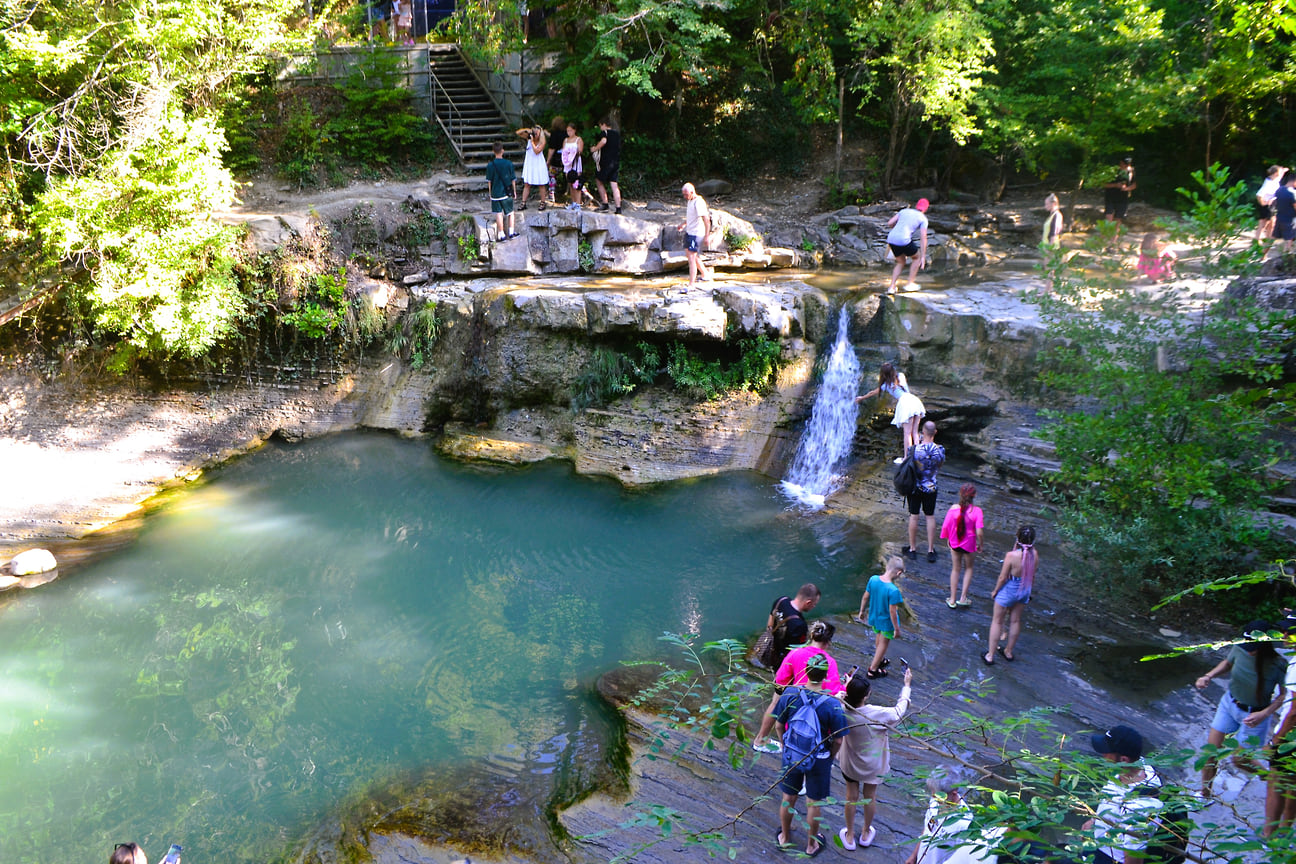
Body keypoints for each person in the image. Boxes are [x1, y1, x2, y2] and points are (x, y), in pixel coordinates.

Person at [1196, 619, 1289, 797]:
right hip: (1229, 704)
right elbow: (1228, 663)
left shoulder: (1278, 664)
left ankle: (1271, 779)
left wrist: (1265, 713)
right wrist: (1208, 676)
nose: (1250, 651)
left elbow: (1284, 695)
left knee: (1240, 760)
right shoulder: (1239, 648)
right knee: (1210, 754)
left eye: (1254, 647)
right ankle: (1204, 793)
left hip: (1255, 715)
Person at [768, 654, 847, 857]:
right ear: (826, 675)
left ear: (805, 671)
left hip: (792, 754)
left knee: (789, 797)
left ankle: (785, 838)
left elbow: (778, 724)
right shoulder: (832, 704)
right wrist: (830, 757)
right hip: (819, 758)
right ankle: (811, 845)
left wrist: (786, 747)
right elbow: (838, 740)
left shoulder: (790, 693)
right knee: (814, 802)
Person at [837, 664, 912, 850]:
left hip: (851, 763)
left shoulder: (840, 708)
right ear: (866, 696)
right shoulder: (878, 713)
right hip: (874, 764)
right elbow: (899, 711)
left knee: (850, 796)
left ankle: (849, 835)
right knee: (870, 797)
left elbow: (838, 700)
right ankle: (865, 833)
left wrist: (844, 689)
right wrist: (906, 687)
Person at [752, 620, 844, 751]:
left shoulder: (796, 653)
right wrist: (845, 686)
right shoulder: (829, 662)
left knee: (775, 704)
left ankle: (760, 739)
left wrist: (783, 693)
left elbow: (781, 678)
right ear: (828, 642)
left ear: (811, 636)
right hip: (816, 705)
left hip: (795, 698)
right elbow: (834, 691)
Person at [1086, 725, 1164, 864]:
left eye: (1106, 752)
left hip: (1111, 858)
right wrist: (1093, 822)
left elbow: (1134, 859)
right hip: (1098, 844)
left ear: (1123, 760)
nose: (1103, 755)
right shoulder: (1140, 768)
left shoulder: (1140, 807)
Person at [983, 525, 1038, 665]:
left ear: (1017, 538)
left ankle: (990, 655)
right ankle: (1008, 651)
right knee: (1015, 621)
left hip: (1010, 590)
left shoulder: (1011, 556)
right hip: (1025, 589)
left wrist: (995, 591)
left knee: (997, 621)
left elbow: (1003, 577)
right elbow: (1033, 576)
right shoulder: (1035, 555)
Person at [855, 361, 926, 463]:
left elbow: (872, 392)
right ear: (893, 370)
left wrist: (861, 398)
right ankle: (918, 456)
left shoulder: (886, 385)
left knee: (907, 433)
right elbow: (901, 384)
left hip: (905, 402)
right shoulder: (901, 376)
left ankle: (906, 458)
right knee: (914, 431)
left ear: (883, 374)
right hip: (914, 400)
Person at [902, 769, 977, 864]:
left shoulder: (964, 824)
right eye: (932, 792)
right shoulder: (935, 801)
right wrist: (914, 856)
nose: (933, 796)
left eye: (936, 794)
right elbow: (927, 830)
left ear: (954, 793)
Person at [1265, 611, 1296, 837]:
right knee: (1292, 787)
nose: (1284, 634)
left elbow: (1294, 711)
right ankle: (1285, 832)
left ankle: (1269, 837)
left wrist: (1275, 742)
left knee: (1276, 786)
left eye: (1290, 631)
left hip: (1290, 739)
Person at [897, 421, 945, 563]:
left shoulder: (914, 449)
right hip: (931, 487)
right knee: (930, 516)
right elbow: (940, 465)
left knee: (914, 516)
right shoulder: (940, 450)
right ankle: (930, 550)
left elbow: (909, 465)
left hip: (915, 488)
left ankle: (912, 549)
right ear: (935, 432)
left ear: (922, 432)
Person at [854, 555, 905, 679]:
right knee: (884, 643)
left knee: (878, 636)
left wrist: (861, 611)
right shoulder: (893, 590)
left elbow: (865, 596)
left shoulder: (874, 579)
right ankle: (873, 670)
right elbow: (892, 612)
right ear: (898, 573)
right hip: (886, 622)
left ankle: (880, 659)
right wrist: (897, 629)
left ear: (887, 567)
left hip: (874, 616)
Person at [939, 483, 983, 608]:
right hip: (969, 545)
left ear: (960, 494)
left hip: (955, 543)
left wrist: (947, 538)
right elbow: (979, 532)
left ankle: (952, 599)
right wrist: (980, 544)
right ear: (974, 495)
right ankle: (963, 598)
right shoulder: (977, 511)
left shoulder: (953, 508)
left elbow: (946, 526)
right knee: (968, 568)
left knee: (955, 569)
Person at [767, 583, 819, 667]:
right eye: (814, 604)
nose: (814, 606)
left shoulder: (781, 600)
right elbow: (797, 651)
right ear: (808, 602)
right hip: (781, 658)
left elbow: (769, 625)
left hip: (769, 646)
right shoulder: (799, 624)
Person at [886, 198, 930, 292]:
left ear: (917, 205)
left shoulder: (904, 211)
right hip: (903, 240)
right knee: (916, 258)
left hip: (891, 238)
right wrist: (923, 256)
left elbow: (890, 223)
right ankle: (910, 283)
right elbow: (923, 237)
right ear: (926, 209)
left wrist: (896, 229)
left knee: (901, 262)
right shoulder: (923, 219)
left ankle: (892, 287)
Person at [679, 182, 712, 285]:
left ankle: (691, 284)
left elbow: (706, 220)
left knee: (692, 258)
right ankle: (705, 274)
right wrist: (683, 224)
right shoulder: (690, 201)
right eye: (683, 194)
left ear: (692, 192)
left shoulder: (699, 202)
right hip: (689, 232)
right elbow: (691, 216)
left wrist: (707, 236)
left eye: (686, 194)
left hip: (696, 234)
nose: (684, 197)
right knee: (690, 255)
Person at [485, 142, 517, 241]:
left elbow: (489, 181)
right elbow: (513, 180)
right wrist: (514, 192)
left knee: (498, 213)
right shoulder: (508, 163)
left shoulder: (490, 165)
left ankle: (501, 234)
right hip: (506, 193)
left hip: (495, 193)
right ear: (502, 151)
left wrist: (490, 193)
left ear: (493, 151)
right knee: (510, 213)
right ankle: (511, 233)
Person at [591, 117, 622, 214]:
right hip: (615, 162)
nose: (600, 128)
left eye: (600, 126)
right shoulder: (616, 134)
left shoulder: (605, 133)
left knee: (599, 180)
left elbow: (604, 141)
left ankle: (605, 204)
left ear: (604, 124)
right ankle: (618, 208)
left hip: (605, 162)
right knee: (614, 184)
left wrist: (595, 148)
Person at [515, 125, 549, 211]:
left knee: (541, 184)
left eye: (536, 133)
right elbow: (517, 133)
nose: (535, 135)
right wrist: (527, 130)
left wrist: (533, 142)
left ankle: (543, 202)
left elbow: (536, 151)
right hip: (530, 163)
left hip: (538, 163)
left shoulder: (542, 141)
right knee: (527, 184)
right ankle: (523, 202)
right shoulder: (529, 139)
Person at [559, 122, 587, 210]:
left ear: (574, 130)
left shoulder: (578, 139)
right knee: (570, 183)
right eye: (567, 131)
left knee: (576, 183)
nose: (569, 132)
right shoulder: (565, 140)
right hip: (568, 163)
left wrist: (573, 151)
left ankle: (578, 203)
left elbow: (580, 151)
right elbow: (563, 151)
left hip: (575, 162)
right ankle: (573, 202)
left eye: (570, 130)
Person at [1255, 165, 1287, 241]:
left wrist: (1283, 171)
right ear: (1275, 173)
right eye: (1279, 172)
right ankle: (1257, 241)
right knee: (1263, 224)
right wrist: (1263, 203)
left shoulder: (1275, 179)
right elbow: (1259, 195)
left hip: (1273, 205)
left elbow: (1280, 177)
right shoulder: (1268, 183)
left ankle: (1268, 240)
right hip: (1267, 206)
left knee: (1272, 224)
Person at [1103, 157, 1136, 224]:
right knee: (1109, 215)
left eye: (1128, 164)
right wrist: (1115, 185)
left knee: (1118, 218)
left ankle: (1116, 234)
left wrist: (1126, 189)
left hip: (1123, 198)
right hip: (1110, 197)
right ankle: (1107, 232)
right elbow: (1103, 184)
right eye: (1124, 164)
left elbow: (1134, 185)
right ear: (1120, 163)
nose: (1126, 166)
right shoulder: (1112, 171)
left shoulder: (1131, 172)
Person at [1273, 170, 1296, 256]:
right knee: (1289, 239)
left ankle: (1263, 254)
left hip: (1279, 217)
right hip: (1290, 220)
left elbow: (1275, 202)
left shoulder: (1279, 190)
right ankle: (1287, 256)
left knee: (1273, 237)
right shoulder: (1292, 193)